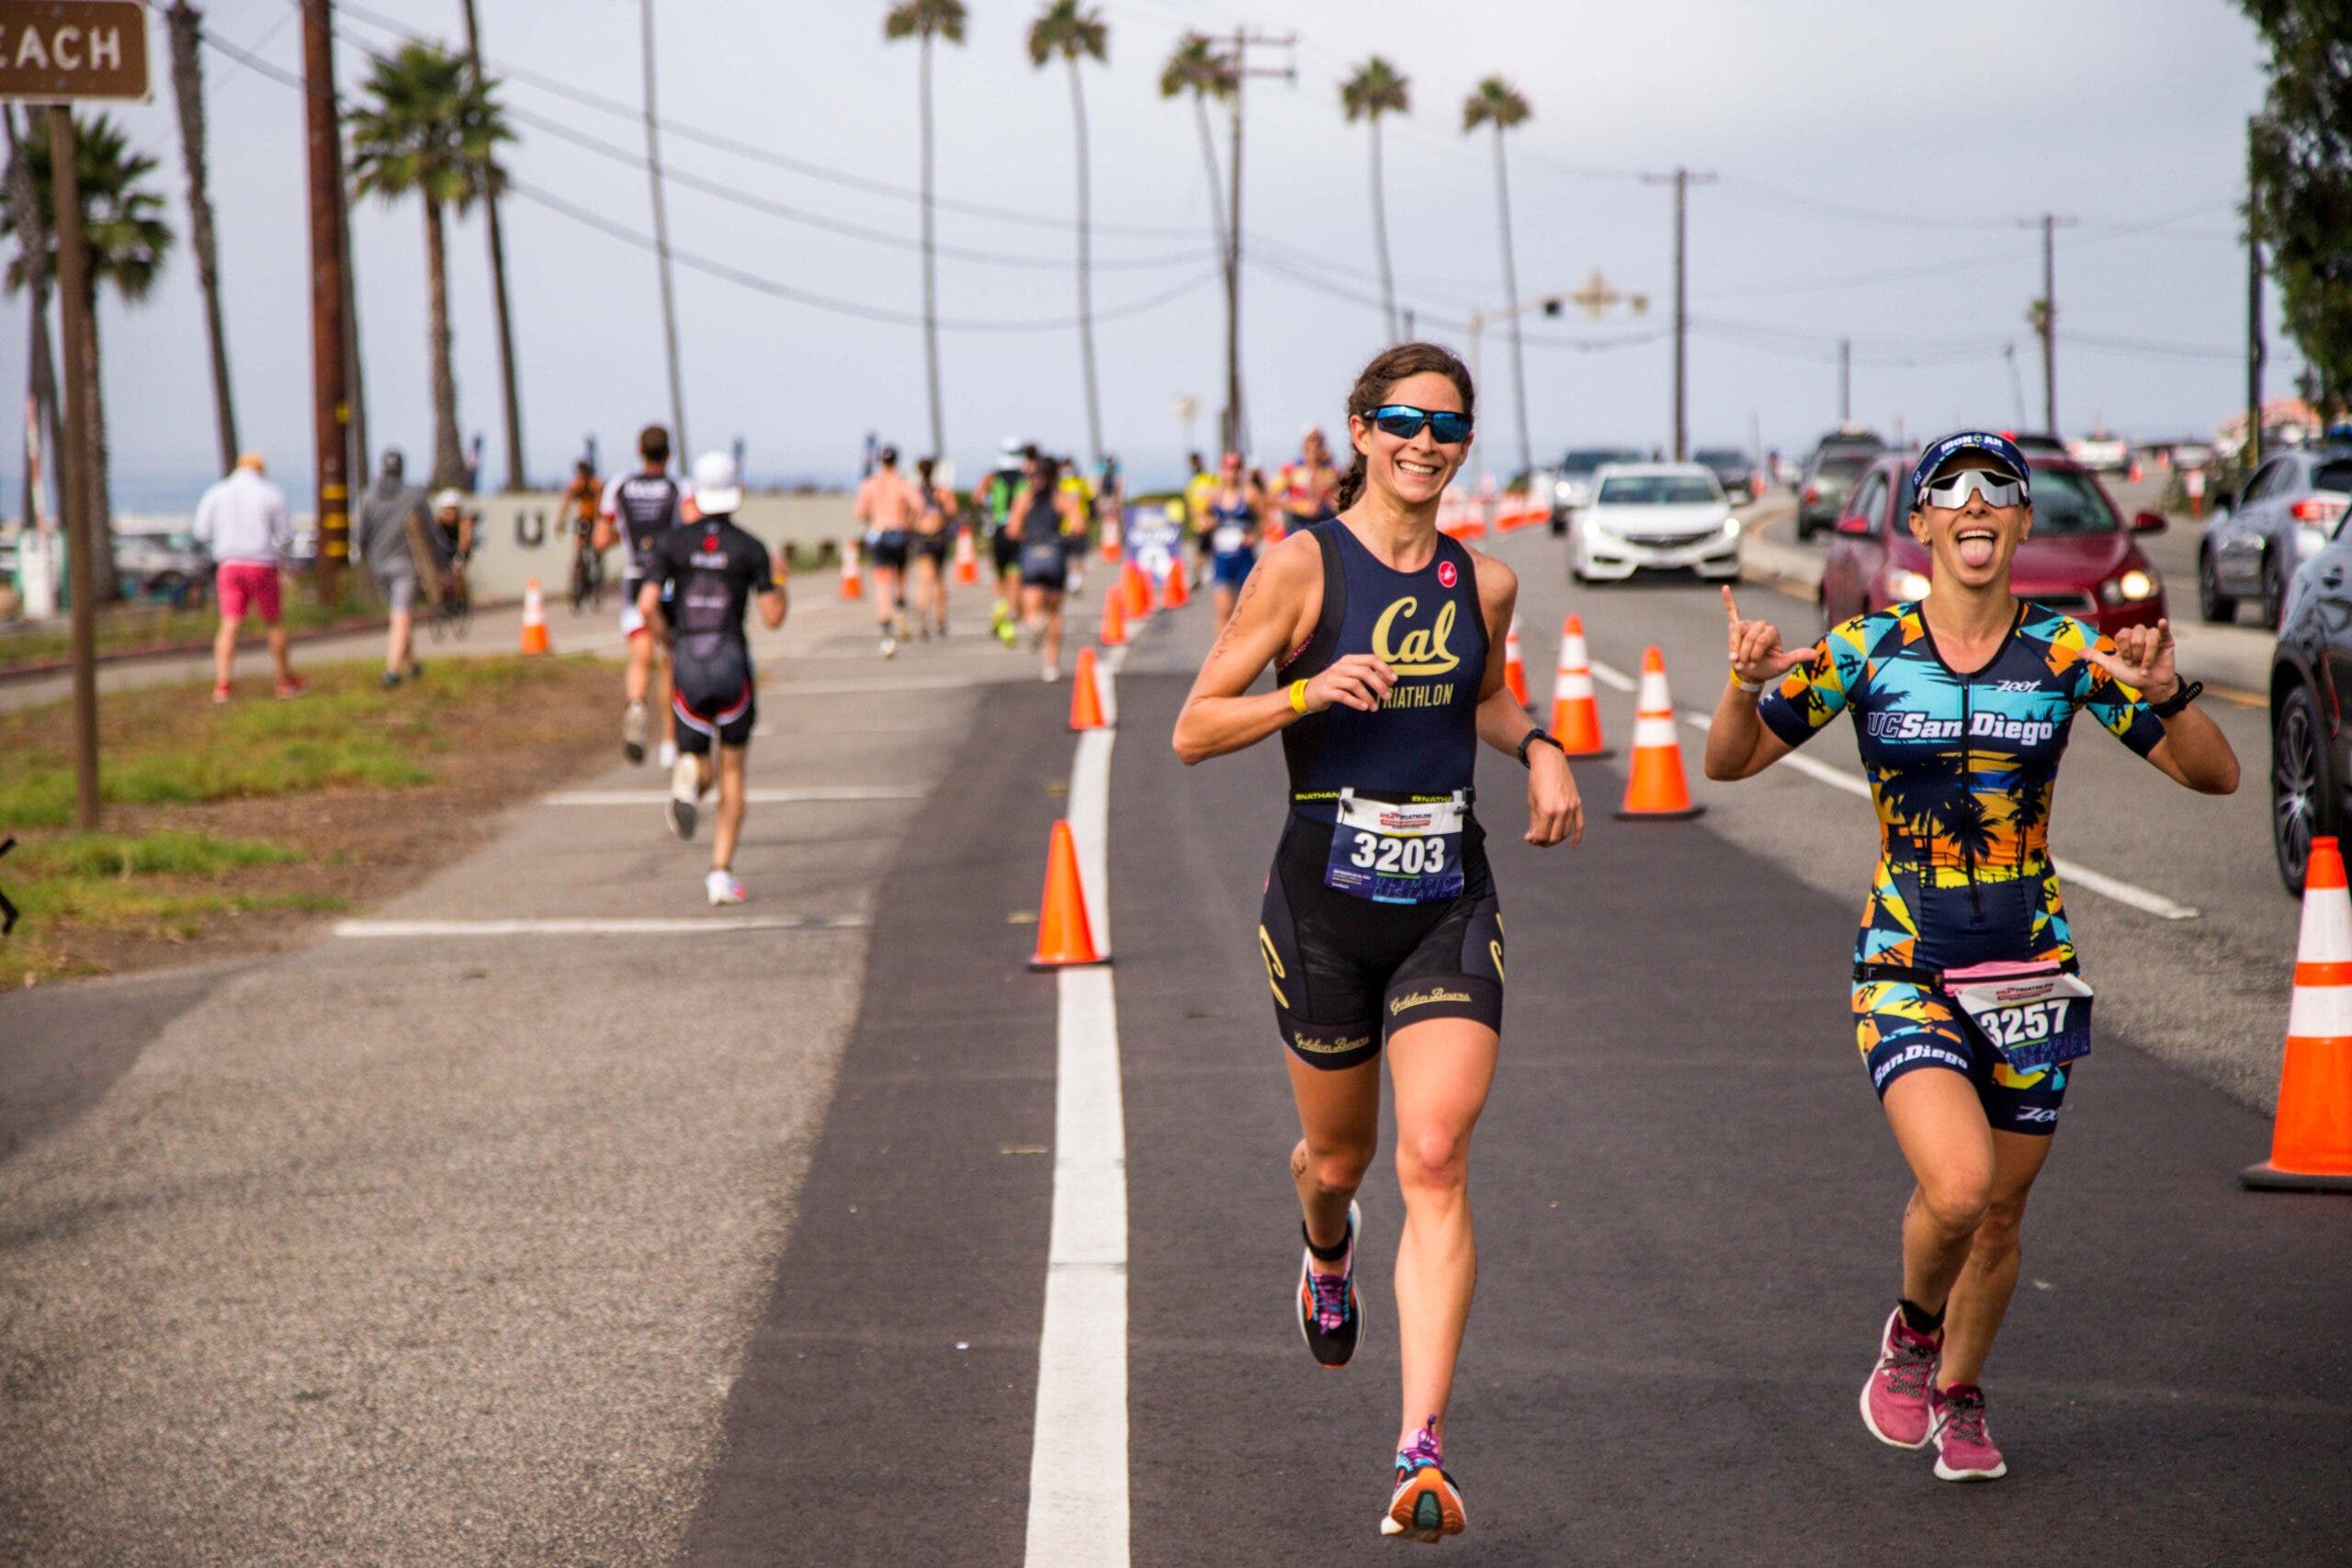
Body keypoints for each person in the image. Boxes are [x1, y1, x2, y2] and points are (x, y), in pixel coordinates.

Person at [1703, 431, 2239, 1483]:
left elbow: (2214, 777)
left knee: (1999, 1215)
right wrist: (1738, 686)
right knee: (1956, 1188)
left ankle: (1958, 1390)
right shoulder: (1863, 651)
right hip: (1906, 960)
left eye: (2000, 490)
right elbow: (1730, 761)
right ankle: (1911, 1337)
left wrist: (2170, 693)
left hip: (2031, 971)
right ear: (1922, 524)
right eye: (1950, 491)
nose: (1976, 505)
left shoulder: (2066, 653)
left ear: (2023, 522)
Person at [1170, 343, 1582, 1541]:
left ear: (1463, 444)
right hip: (1324, 910)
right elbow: (1195, 728)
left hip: (1447, 895)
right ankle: (1325, 1247)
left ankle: (1420, 1450)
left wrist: (1543, 743)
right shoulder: (1301, 569)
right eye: (1400, 418)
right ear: (1358, 431)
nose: (1424, 440)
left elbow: (1483, 697)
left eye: (1445, 424)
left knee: (1437, 1152)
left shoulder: (1484, 583)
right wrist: (1306, 692)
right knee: (1339, 1161)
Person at [641, 451, 788, 906]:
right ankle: (720, 873)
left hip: (688, 659)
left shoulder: (672, 544)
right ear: (735, 491)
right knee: (733, 773)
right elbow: (772, 616)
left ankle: (688, 777)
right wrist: (779, 580)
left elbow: (648, 603)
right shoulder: (750, 546)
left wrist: (668, 639)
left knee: (698, 759)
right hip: (731, 663)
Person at [597, 425, 691, 765]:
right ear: (668, 452)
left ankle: (636, 703)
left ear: (640, 451)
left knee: (641, 655)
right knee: (670, 659)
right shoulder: (679, 487)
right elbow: (693, 526)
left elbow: (600, 537)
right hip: (671, 580)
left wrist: (624, 536)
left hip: (637, 578)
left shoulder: (619, 486)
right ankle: (669, 741)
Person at [191, 452, 305, 703]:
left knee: (230, 623)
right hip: (262, 563)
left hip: (229, 565)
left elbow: (201, 531)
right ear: (261, 470)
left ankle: (223, 684)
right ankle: (284, 680)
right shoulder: (271, 493)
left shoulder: (217, 492)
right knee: (273, 621)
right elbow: (286, 533)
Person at [355, 449, 433, 688]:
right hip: (406, 564)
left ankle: (410, 663)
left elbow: (359, 534)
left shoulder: (367, 497)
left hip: (378, 565)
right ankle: (392, 670)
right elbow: (430, 531)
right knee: (401, 615)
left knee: (399, 614)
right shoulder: (414, 496)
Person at [1012, 454, 1081, 682]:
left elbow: (1012, 530)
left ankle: (1033, 623)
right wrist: (1064, 536)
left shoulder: (1024, 499)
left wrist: (1027, 538)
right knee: (1055, 612)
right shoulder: (1062, 499)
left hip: (1031, 554)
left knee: (1031, 605)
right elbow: (1079, 526)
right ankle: (1051, 664)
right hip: (1055, 555)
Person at [854, 445, 922, 657]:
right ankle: (900, 606)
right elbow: (919, 507)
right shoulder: (903, 484)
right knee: (900, 576)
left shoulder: (870, 484)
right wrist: (908, 522)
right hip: (899, 532)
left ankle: (886, 628)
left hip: (879, 534)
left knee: (882, 582)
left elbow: (859, 513)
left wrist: (874, 517)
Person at [1203, 450, 1263, 634]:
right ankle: (1221, 659)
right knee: (1224, 611)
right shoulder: (1214, 495)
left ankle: (1247, 657)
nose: (1232, 473)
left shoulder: (1250, 494)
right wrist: (1208, 523)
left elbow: (1265, 518)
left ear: (1241, 470)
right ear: (1222, 470)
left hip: (1244, 559)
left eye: (1236, 468)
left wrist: (1254, 535)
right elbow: (1202, 515)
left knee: (1247, 613)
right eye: (1228, 468)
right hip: (1222, 559)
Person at [984, 439, 1030, 648]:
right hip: (1018, 531)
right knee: (1015, 577)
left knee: (1000, 576)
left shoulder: (993, 477)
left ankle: (999, 608)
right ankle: (1008, 620)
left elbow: (977, 497)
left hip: (999, 530)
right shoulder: (1025, 479)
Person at [911, 456, 957, 640]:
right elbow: (952, 511)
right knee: (939, 581)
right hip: (937, 538)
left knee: (925, 581)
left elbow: (909, 516)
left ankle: (925, 616)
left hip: (924, 539)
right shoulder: (941, 492)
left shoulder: (916, 492)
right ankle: (940, 617)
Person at [1276, 424, 1343, 541]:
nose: (1316, 444)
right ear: (1304, 444)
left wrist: (1336, 502)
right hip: (1297, 529)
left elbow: (1346, 497)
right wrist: (1298, 506)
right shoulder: (1291, 469)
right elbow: (1269, 499)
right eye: (1312, 440)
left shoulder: (1333, 471)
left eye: (1320, 440)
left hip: (1325, 531)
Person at [562, 458, 605, 608]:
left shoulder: (596, 484)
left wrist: (599, 524)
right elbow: (566, 503)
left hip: (595, 519)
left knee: (597, 551)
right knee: (579, 550)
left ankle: (597, 584)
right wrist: (561, 522)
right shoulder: (576, 485)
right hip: (583, 520)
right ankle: (579, 580)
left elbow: (600, 505)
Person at [1182, 449, 1219, 586]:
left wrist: (1211, 515)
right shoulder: (1192, 482)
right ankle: (1196, 576)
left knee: (1215, 547)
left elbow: (1217, 495)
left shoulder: (1210, 478)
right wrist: (1199, 518)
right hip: (1201, 523)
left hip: (1213, 520)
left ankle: (1210, 573)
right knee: (1202, 550)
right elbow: (1190, 504)